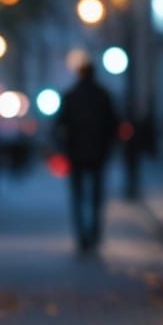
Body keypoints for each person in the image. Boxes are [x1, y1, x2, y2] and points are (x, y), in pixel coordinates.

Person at [56, 56, 121, 251]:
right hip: (98, 155)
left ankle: (82, 236)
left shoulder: (71, 95)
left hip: (76, 155)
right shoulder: (103, 95)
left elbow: (60, 125)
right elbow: (113, 124)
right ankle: (94, 234)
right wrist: (109, 146)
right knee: (96, 197)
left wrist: (65, 147)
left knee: (78, 196)